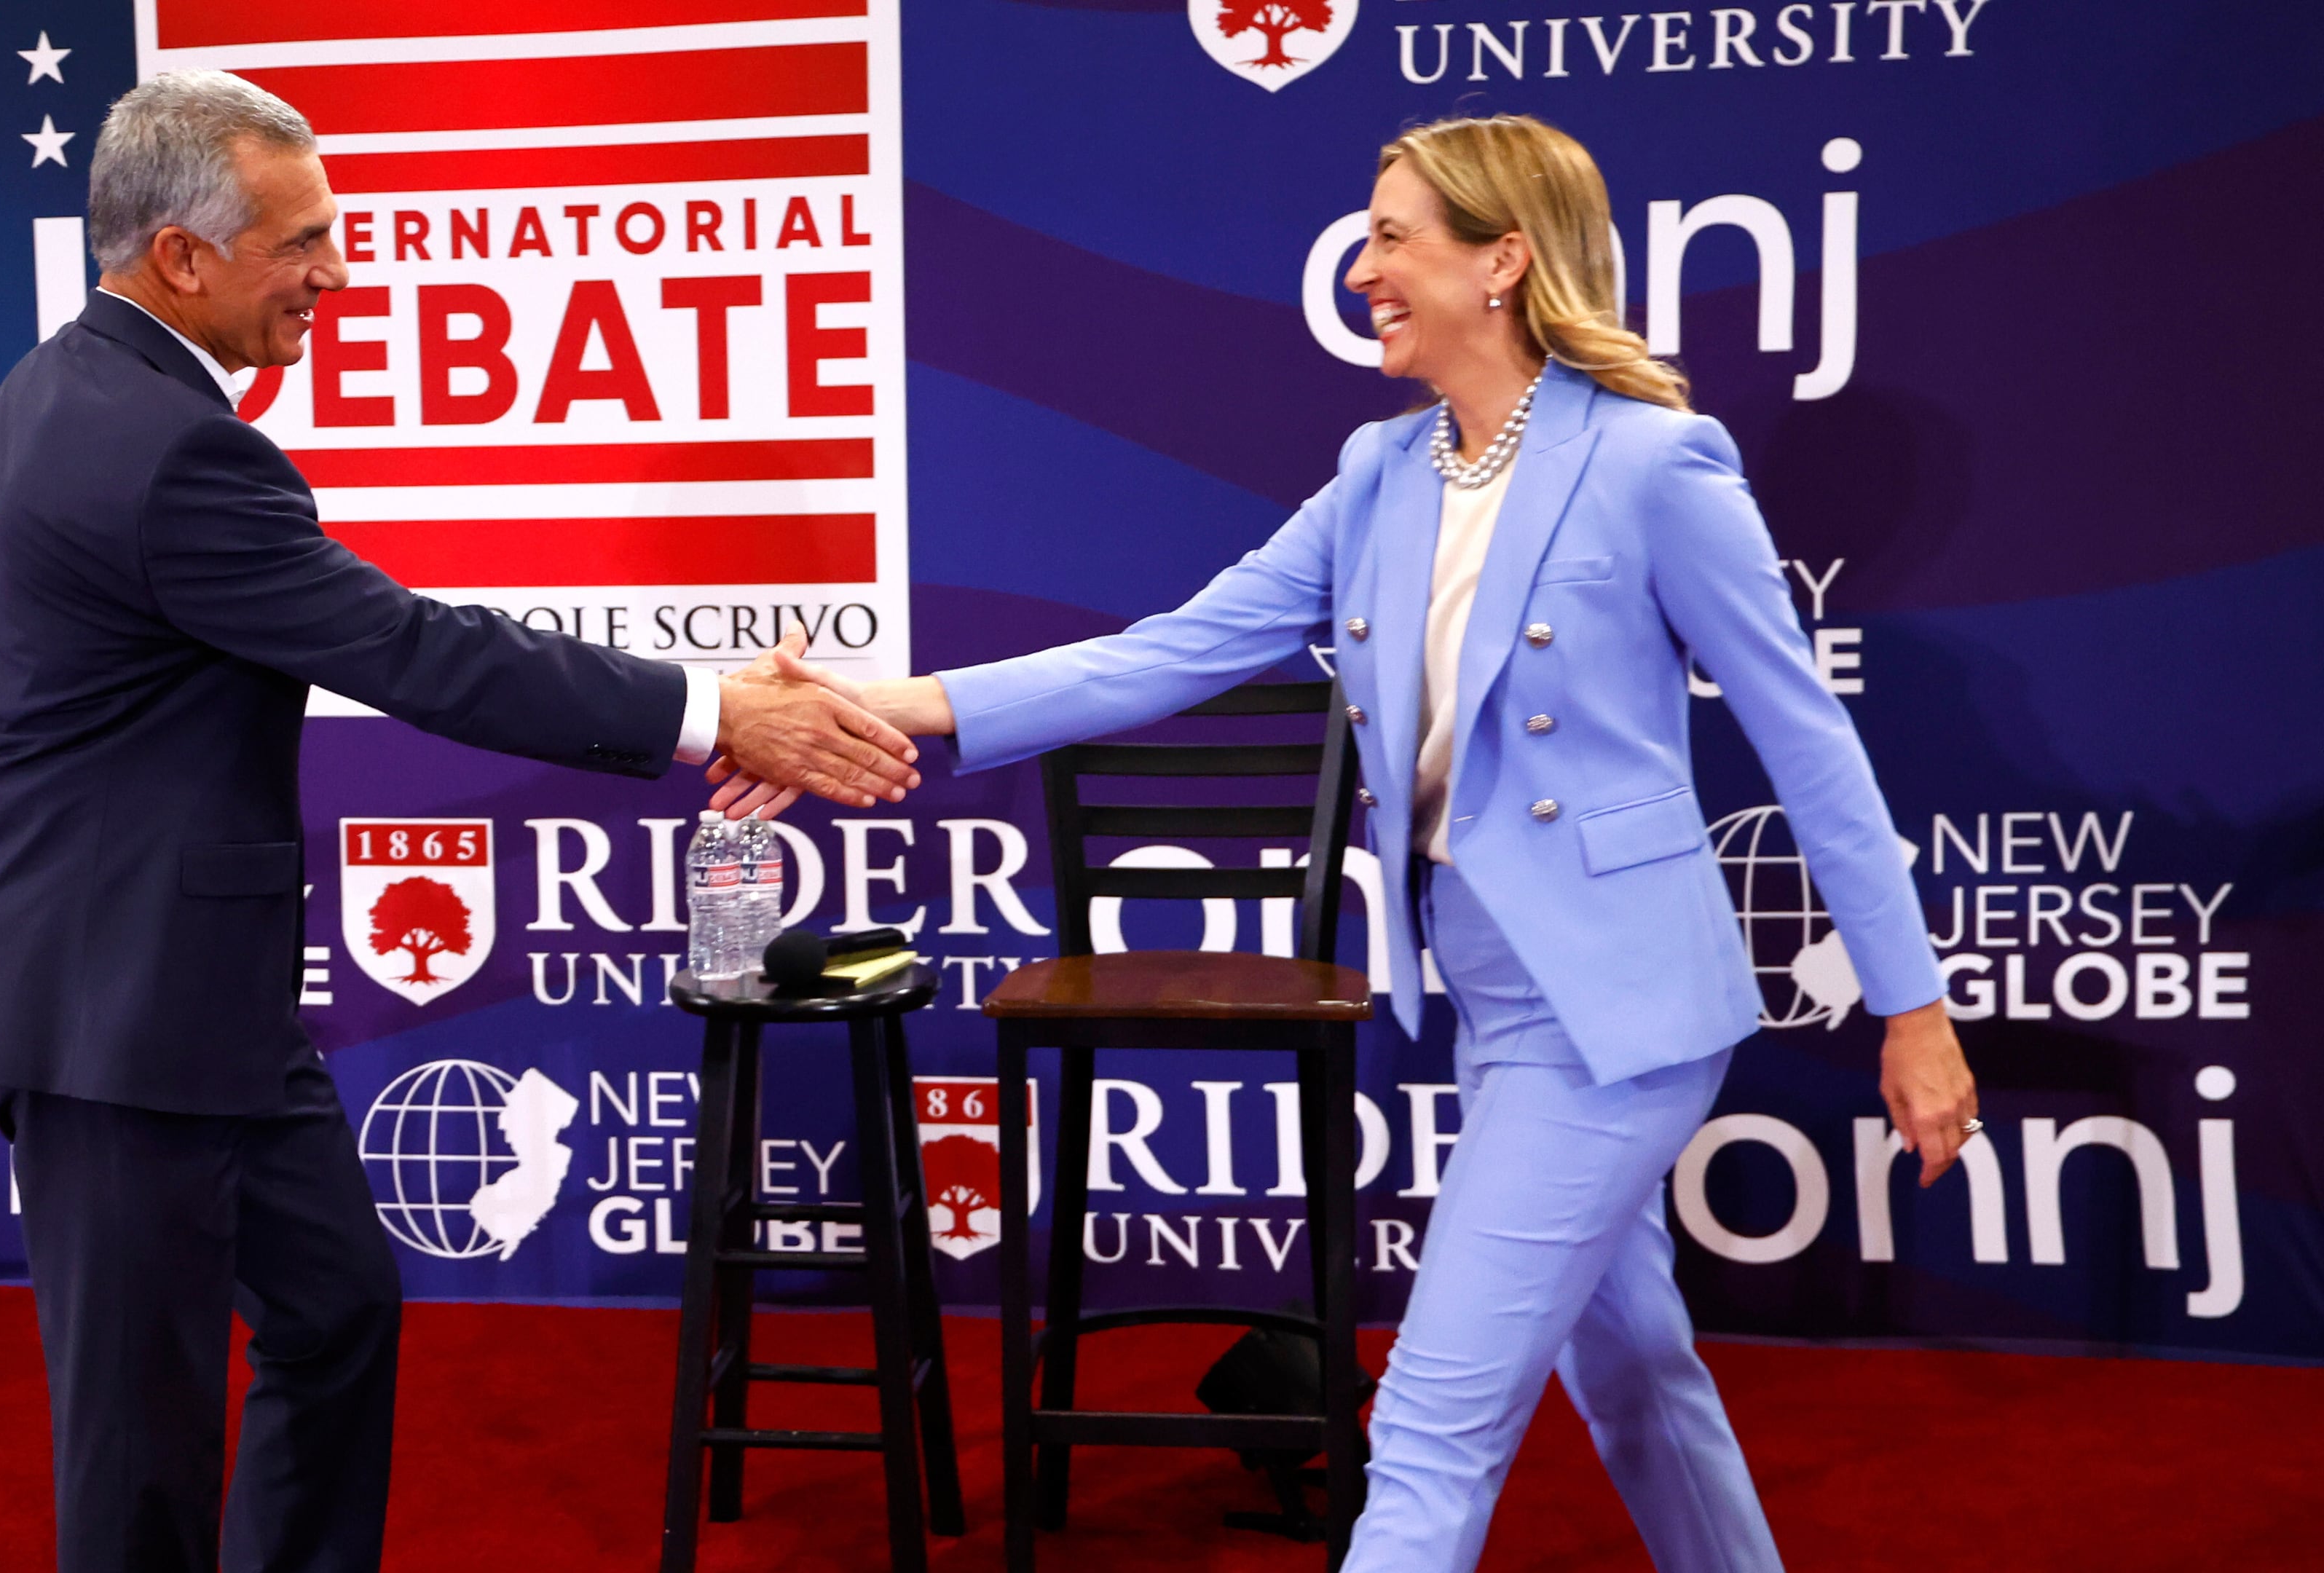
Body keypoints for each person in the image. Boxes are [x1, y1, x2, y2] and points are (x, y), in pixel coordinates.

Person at [714, 114, 1979, 1571]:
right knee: (1634, 1374)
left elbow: (1808, 741)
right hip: (1498, 995)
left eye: (1394, 235)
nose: (1363, 266)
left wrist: (1913, 1007)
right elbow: (1172, 650)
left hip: (1622, 1007)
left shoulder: (1650, 463)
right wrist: (882, 708)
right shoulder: (1382, 474)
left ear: (1502, 257)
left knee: (1433, 1428)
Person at [0, 71, 918, 1573]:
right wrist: (720, 712)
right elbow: (414, 652)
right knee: (142, 1446)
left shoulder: (66, 393)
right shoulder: (157, 446)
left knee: (336, 1313)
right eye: (301, 243)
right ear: (183, 258)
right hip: (112, 1012)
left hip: (193, 996)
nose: (337, 272)